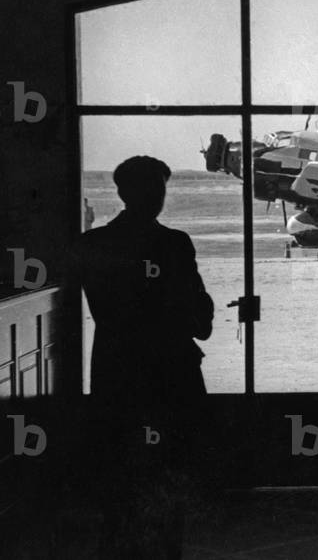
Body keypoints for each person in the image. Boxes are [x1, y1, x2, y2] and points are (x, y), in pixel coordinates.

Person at [69, 155, 214, 558]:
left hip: (116, 375)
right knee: (168, 481)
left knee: (121, 484)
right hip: (172, 375)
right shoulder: (174, 244)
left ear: (120, 193)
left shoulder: (90, 245)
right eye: (158, 188)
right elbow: (200, 321)